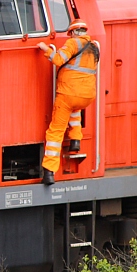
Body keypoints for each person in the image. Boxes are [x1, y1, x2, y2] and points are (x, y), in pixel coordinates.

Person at [37, 20, 99, 185]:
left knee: (55, 132)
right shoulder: (94, 47)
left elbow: (58, 60)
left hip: (68, 93)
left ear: (72, 32)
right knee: (75, 110)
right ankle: (75, 141)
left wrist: (45, 49)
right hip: (87, 96)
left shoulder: (72, 43)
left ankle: (49, 171)